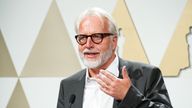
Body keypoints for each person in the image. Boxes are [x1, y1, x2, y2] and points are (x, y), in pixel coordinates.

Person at [57, 7, 172, 108]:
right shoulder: (68, 86)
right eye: (82, 37)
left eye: (97, 36)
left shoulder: (147, 75)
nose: (88, 44)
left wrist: (129, 96)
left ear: (114, 41)